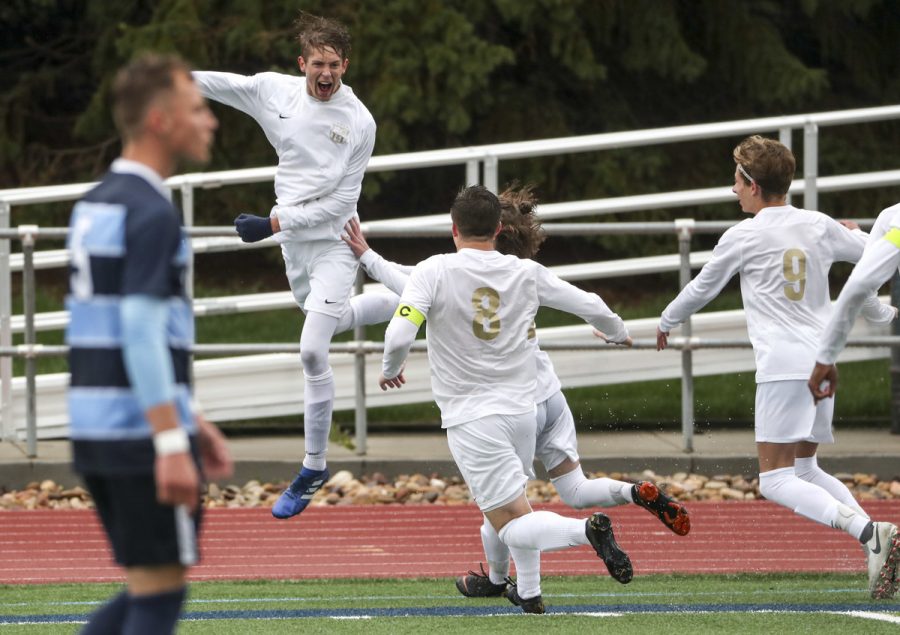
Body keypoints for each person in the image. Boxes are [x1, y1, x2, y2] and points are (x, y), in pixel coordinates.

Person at [342, 185, 691, 601]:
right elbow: (591, 303)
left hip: (474, 417)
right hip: (525, 411)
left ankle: (586, 533)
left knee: (509, 521)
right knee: (512, 509)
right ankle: (526, 592)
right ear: (499, 228)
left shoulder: (433, 271)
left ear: (453, 229)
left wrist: (390, 368)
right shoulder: (526, 273)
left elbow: (400, 330)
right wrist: (617, 332)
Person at [656, 135, 898, 600]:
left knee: (775, 481)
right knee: (805, 468)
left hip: (783, 369)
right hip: (823, 363)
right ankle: (877, 540)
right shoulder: (819, 224)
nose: (733, 190)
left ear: (751, 184)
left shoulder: (742, 236)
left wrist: (666, 321)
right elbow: (875, 256)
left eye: (736, 181)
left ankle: (871, 535)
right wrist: (884, 313)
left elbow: (701, 289)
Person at [193, 13, 398, 519]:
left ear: (345, 65)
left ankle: (313, 467)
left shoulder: (359, 122)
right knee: (323, 317)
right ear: (301, 63)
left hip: (333, 243)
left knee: (312, 350)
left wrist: (273, 222)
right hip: (295, 250)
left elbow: (338, 204)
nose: (325, 74)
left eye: (334, 65)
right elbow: (221, 85)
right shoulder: (274, 92)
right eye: (317, 65)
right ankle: (410, 300)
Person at [66, 54, 232, 634]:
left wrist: (192, 414)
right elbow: (137, 330)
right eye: (197, 108)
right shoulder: (152, 211)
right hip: (139, 433)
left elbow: (117, 327)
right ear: (162, 121)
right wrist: (168, 439)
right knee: (161, 593)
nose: (210, 121)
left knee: (149, 586)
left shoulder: (95, 202)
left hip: (94, 427)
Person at [809, 200, 900, 600]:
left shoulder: (894, 218)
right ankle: (874, 541)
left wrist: (826, 356)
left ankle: (872, 539)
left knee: (783, 474)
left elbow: (862, 286)